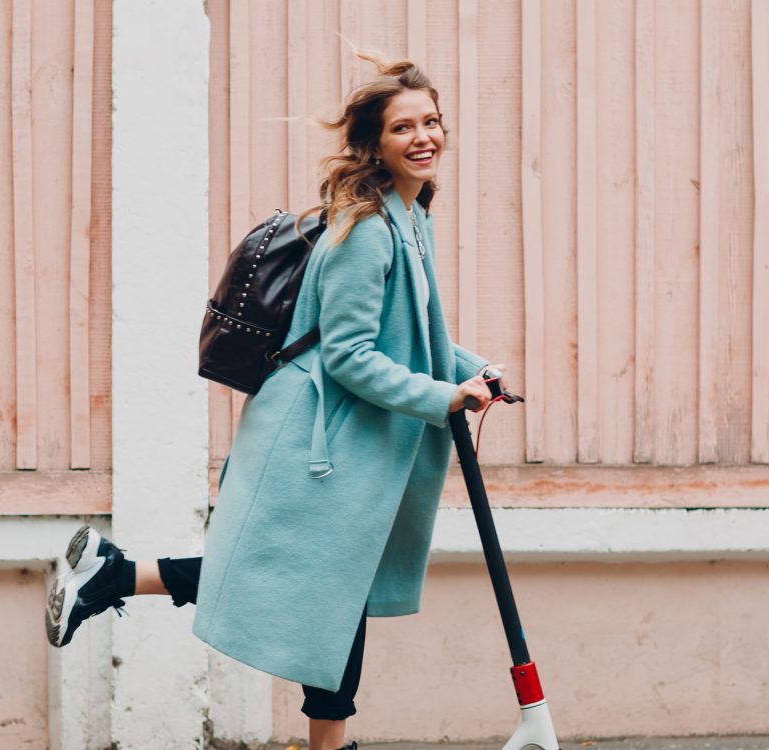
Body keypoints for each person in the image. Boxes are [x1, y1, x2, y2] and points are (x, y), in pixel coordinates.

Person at [45, 51, 503, 750]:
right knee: (310, 585)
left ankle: (112, 575)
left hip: (356, 439)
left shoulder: (411, 216)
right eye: (404, 127)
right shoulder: (367, 231)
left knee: (329, 589)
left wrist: (473, 370)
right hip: (321, 435)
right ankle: (112, 579)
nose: (424, 137)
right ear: (374, 145)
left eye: (432, 121)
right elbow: (350, 356)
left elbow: (411, 332)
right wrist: (446, 397)